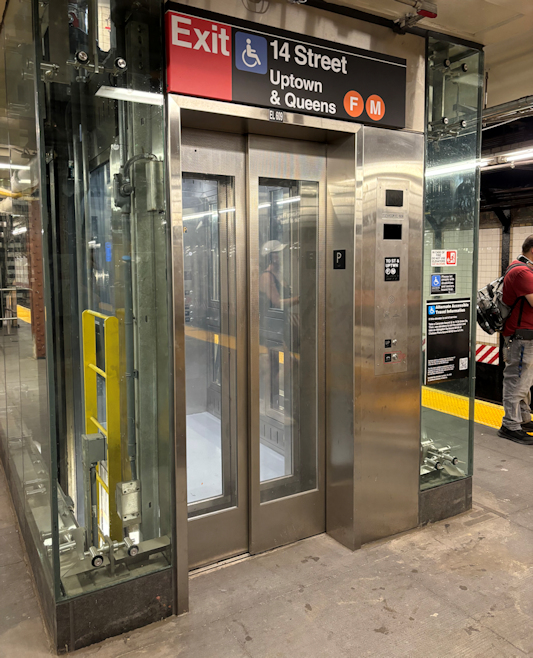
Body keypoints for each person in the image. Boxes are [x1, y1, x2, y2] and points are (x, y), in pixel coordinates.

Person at [499, 235, 533, 445]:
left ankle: (523, 419)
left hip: (526, 337)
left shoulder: (523, 268)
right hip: (521, 337)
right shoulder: (522, 271)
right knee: (516, 380)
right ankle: (510, 425)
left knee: (525, 381)